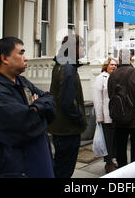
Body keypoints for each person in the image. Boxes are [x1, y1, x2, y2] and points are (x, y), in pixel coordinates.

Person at [0, 37, 55, 178]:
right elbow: (25, 123)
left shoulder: (21, 81)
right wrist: (37, 110)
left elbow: (50, 100)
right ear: (4, 58)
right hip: (8, 168)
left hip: (33, 163)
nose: (26, 58)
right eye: (21, 53)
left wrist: (35, 108)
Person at [48, 34, 87, 178]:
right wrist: (81, 119)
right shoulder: (68, 68)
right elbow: (67, 102)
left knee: (59, 166)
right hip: (68, 130)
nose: (84, 49)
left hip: (61, 128)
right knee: (64, 170)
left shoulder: (60, 65)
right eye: (82, 45)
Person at [108, 49, 135, 168]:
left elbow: (110, 95)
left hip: (119, 117)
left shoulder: (113, 75)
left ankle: (122, 171)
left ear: (119, 59)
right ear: (130, 58)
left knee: (121, 147)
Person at [93, 58, 118, 173]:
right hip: (106, 116)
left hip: (115, 115)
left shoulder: (116, 77)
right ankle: (108, 163)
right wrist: (99, 117)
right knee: (107, 140)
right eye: (111, 64)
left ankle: (112, 160)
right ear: (106, 66)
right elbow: (97, 99)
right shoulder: (100, 78)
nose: (114, 66)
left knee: (113, 140)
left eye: (115, 65)